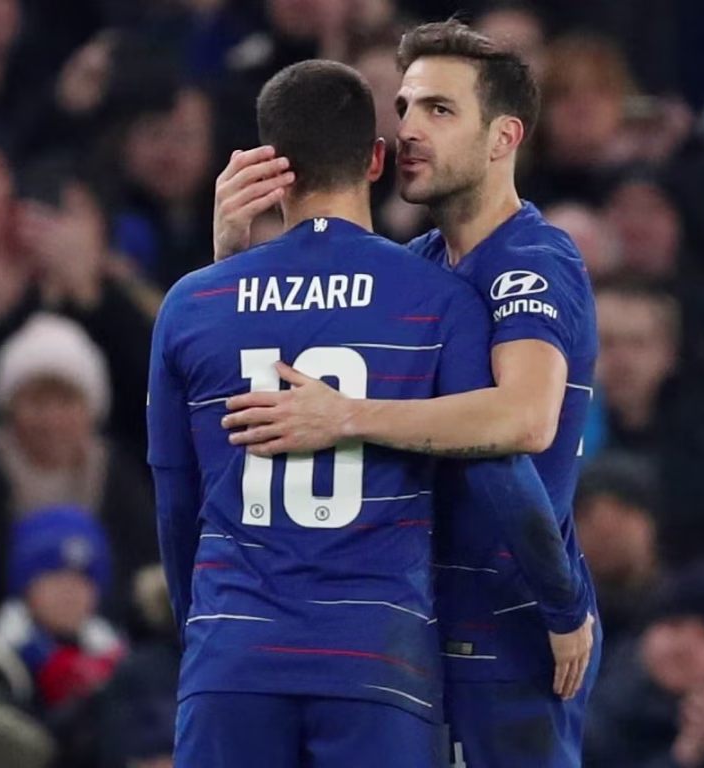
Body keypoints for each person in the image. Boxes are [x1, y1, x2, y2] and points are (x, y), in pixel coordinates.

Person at [148, 59, 589, 768]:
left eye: (438, 109)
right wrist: (564, 605)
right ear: (376, 159)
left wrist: (195, 629)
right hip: (376, 658)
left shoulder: (191, 303)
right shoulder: (436, 295)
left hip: (231, 652)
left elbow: (176, 496)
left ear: (269, 165)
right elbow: (497, 469)